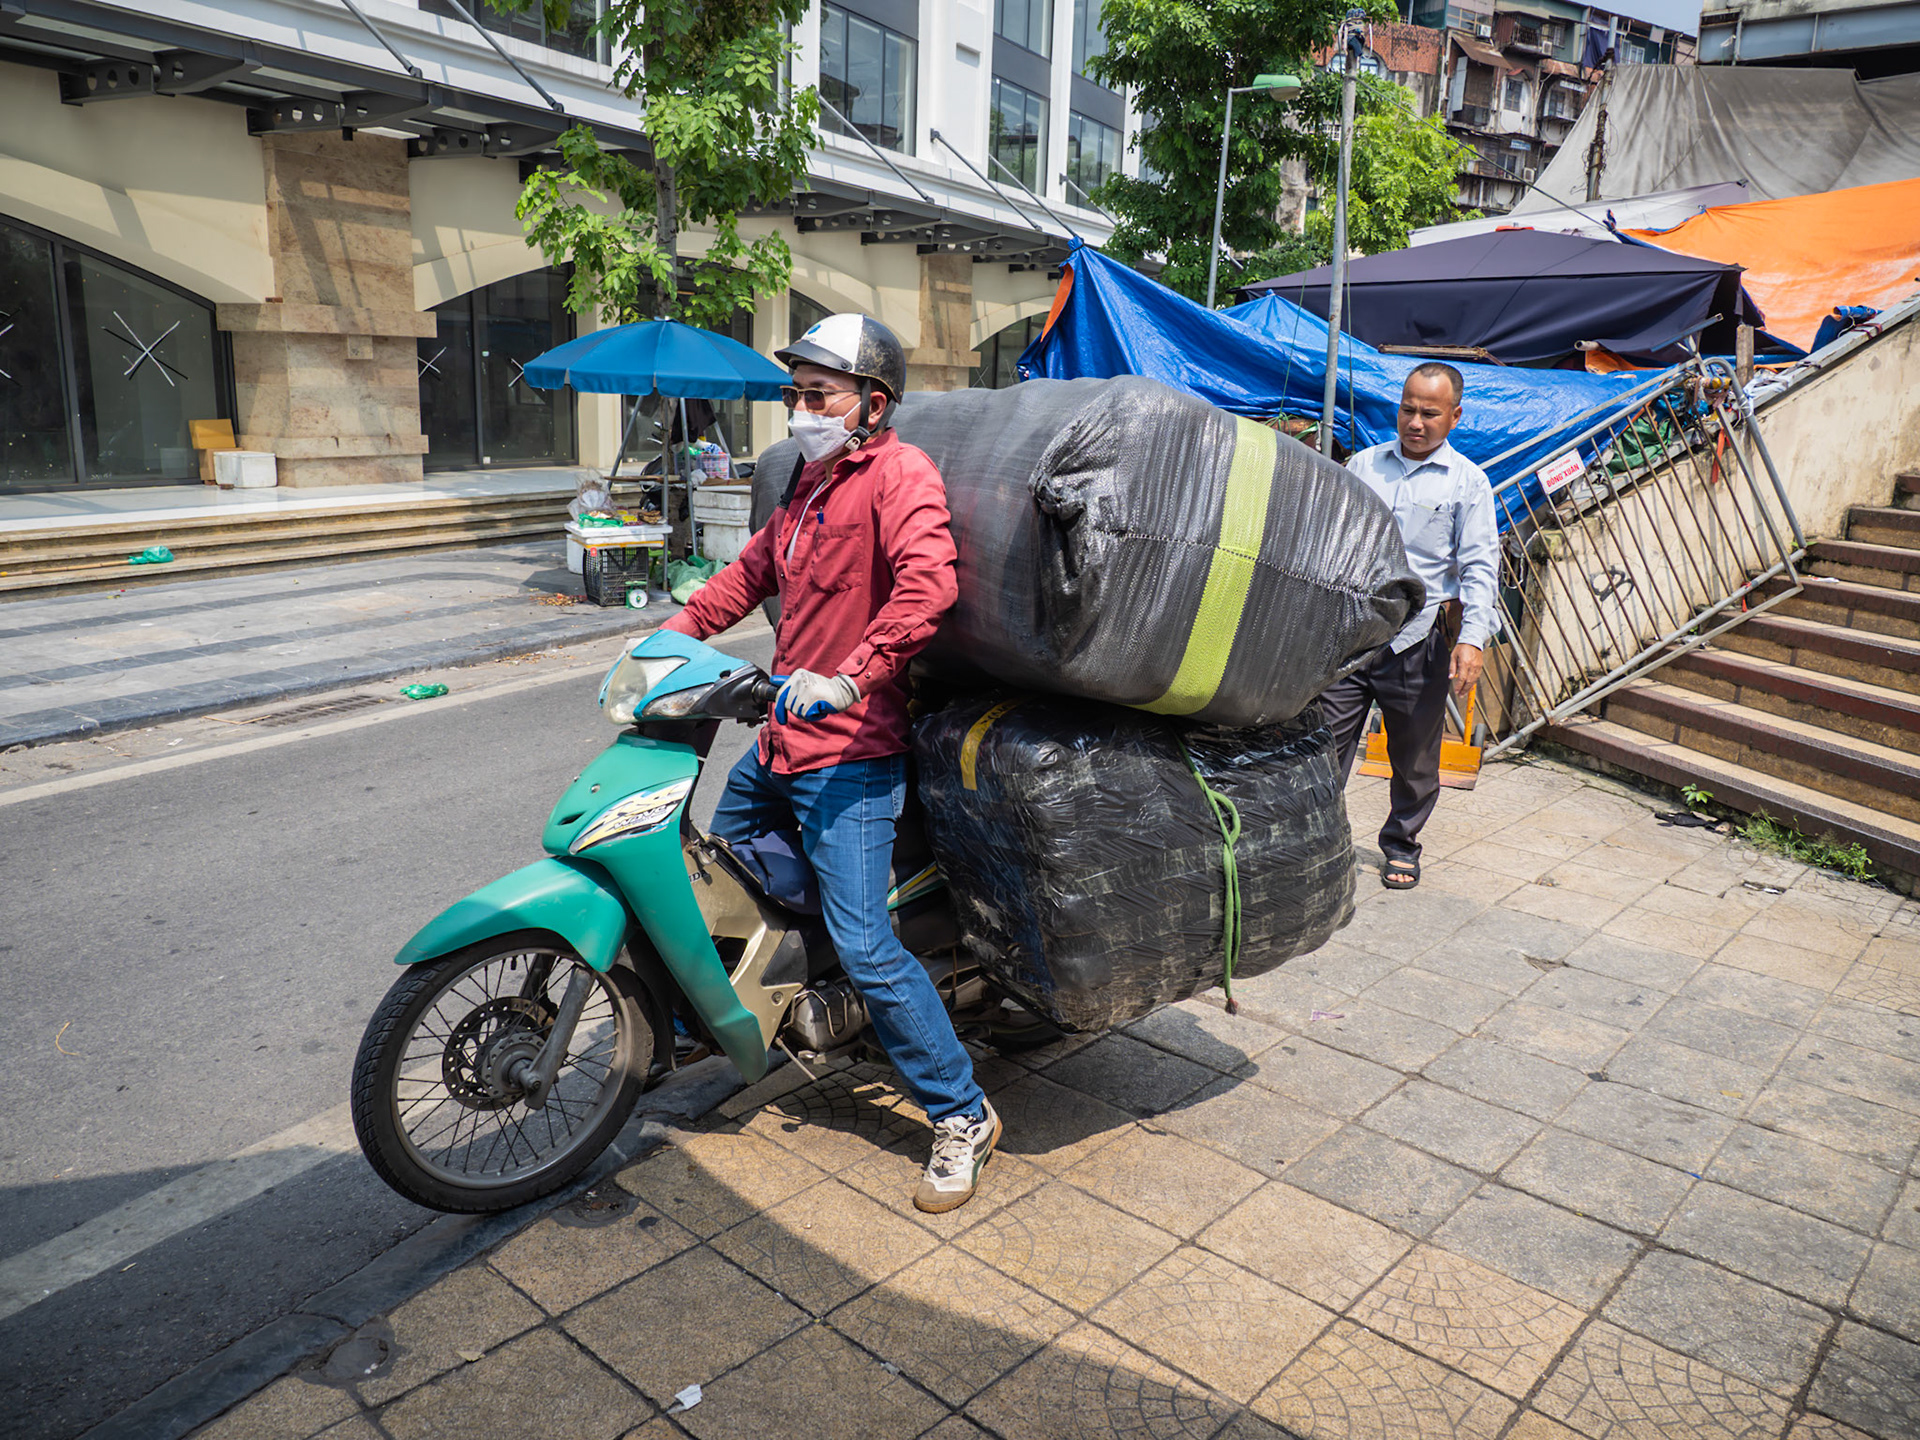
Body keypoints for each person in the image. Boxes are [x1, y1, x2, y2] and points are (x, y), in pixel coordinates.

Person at [660, 313, 999, 1213]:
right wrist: (665, 640)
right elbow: (746, 579)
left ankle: (961, 1112)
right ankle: (754, 1016)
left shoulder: (901, 476)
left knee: (863, 942)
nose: (801, 411)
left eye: (819, 395)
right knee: (716, 876)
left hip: (852, 752)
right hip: (777, 742)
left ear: (872, 404)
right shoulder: (808, 489)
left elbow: (930, 588)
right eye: (796, 395)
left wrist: (852, 680)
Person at [1320, 362, 1499, 891]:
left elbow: (1479, 568)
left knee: (1416, 759)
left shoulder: (1469, 482)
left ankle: (1401, 844)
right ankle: (1318, 842)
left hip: (1420, 641)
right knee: (1322, 746)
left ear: (1454, 416)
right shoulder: (1364, 465)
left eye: (1429, 412)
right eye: (1407, 409)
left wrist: (1471, 641)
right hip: (1352, 634)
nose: (1415, 422)